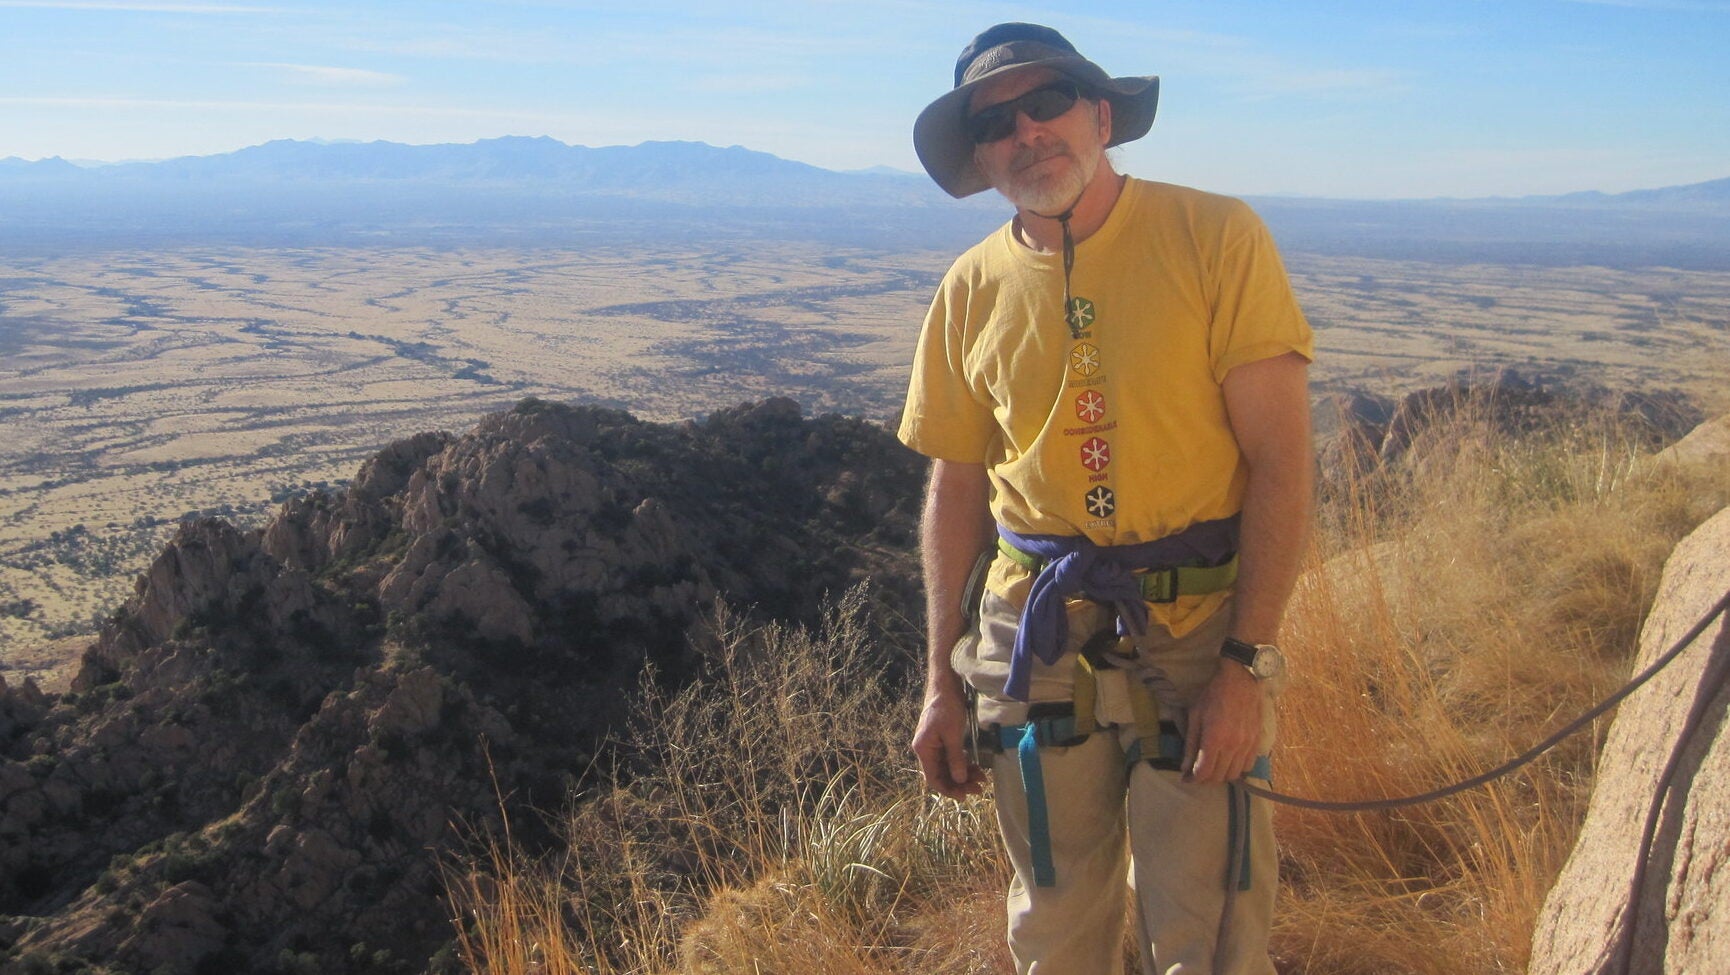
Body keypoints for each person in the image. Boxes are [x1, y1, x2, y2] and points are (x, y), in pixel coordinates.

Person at [898, 23, 1315, 975]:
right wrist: (938, 680)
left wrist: (1247, 665)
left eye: (1046, 103)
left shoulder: (1216, 237)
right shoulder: (967, 288)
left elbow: (1284, 464)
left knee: (1205, 934)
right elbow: (957, 484)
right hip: (1031, 637)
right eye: (996, 121)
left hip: (1201, 628)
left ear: (1101, 112)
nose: (1026, 131)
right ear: (981, 153)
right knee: (1052, 926)